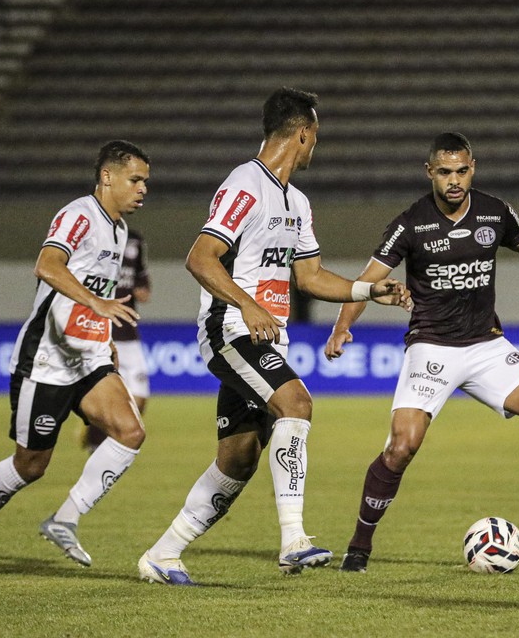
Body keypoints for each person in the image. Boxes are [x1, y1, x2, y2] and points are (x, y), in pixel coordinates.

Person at [137, 87, 410, 585]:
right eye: (315, 138)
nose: (314, 147)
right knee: (297, 404)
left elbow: (309, 277)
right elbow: (200, 257)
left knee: (238, 460)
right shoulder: (245, 184)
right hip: (230, 328)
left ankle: (163, 553)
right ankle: (293, 542)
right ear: (303, 133)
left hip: (264, 334)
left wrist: (370, 291)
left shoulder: (297, 202)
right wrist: (248, 302)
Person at [326, 132, 519, 574]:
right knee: (402, 446)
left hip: (486, 345)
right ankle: (359, 546)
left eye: (461, 171)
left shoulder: (495, 211)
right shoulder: (411, 223)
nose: (454, 180)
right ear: (430, 171)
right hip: (432, 347)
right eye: (444, 172)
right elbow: (368, 279)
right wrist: (341, 327)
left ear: (473, 168)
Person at [0, 140, 150, 568]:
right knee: (31, 465)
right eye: (135, 179)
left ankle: (65, 518)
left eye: (145, 182)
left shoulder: (119, 230)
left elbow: (97, 293)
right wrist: (97, 304)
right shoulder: (78, 214)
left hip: (88, 357)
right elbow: (47, 265)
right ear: (107, 176)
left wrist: (104, 341)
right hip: (45, 359)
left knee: (131, 432)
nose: (143, 189)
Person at [84, 227, 151, 451]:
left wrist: (142, 290)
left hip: (129, 332)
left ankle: (99, 429)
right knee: (106, 395)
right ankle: (97, 446)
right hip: (102, 332)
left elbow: (142, 281)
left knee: (140, 398)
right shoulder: (92, 235)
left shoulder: (135, 239)